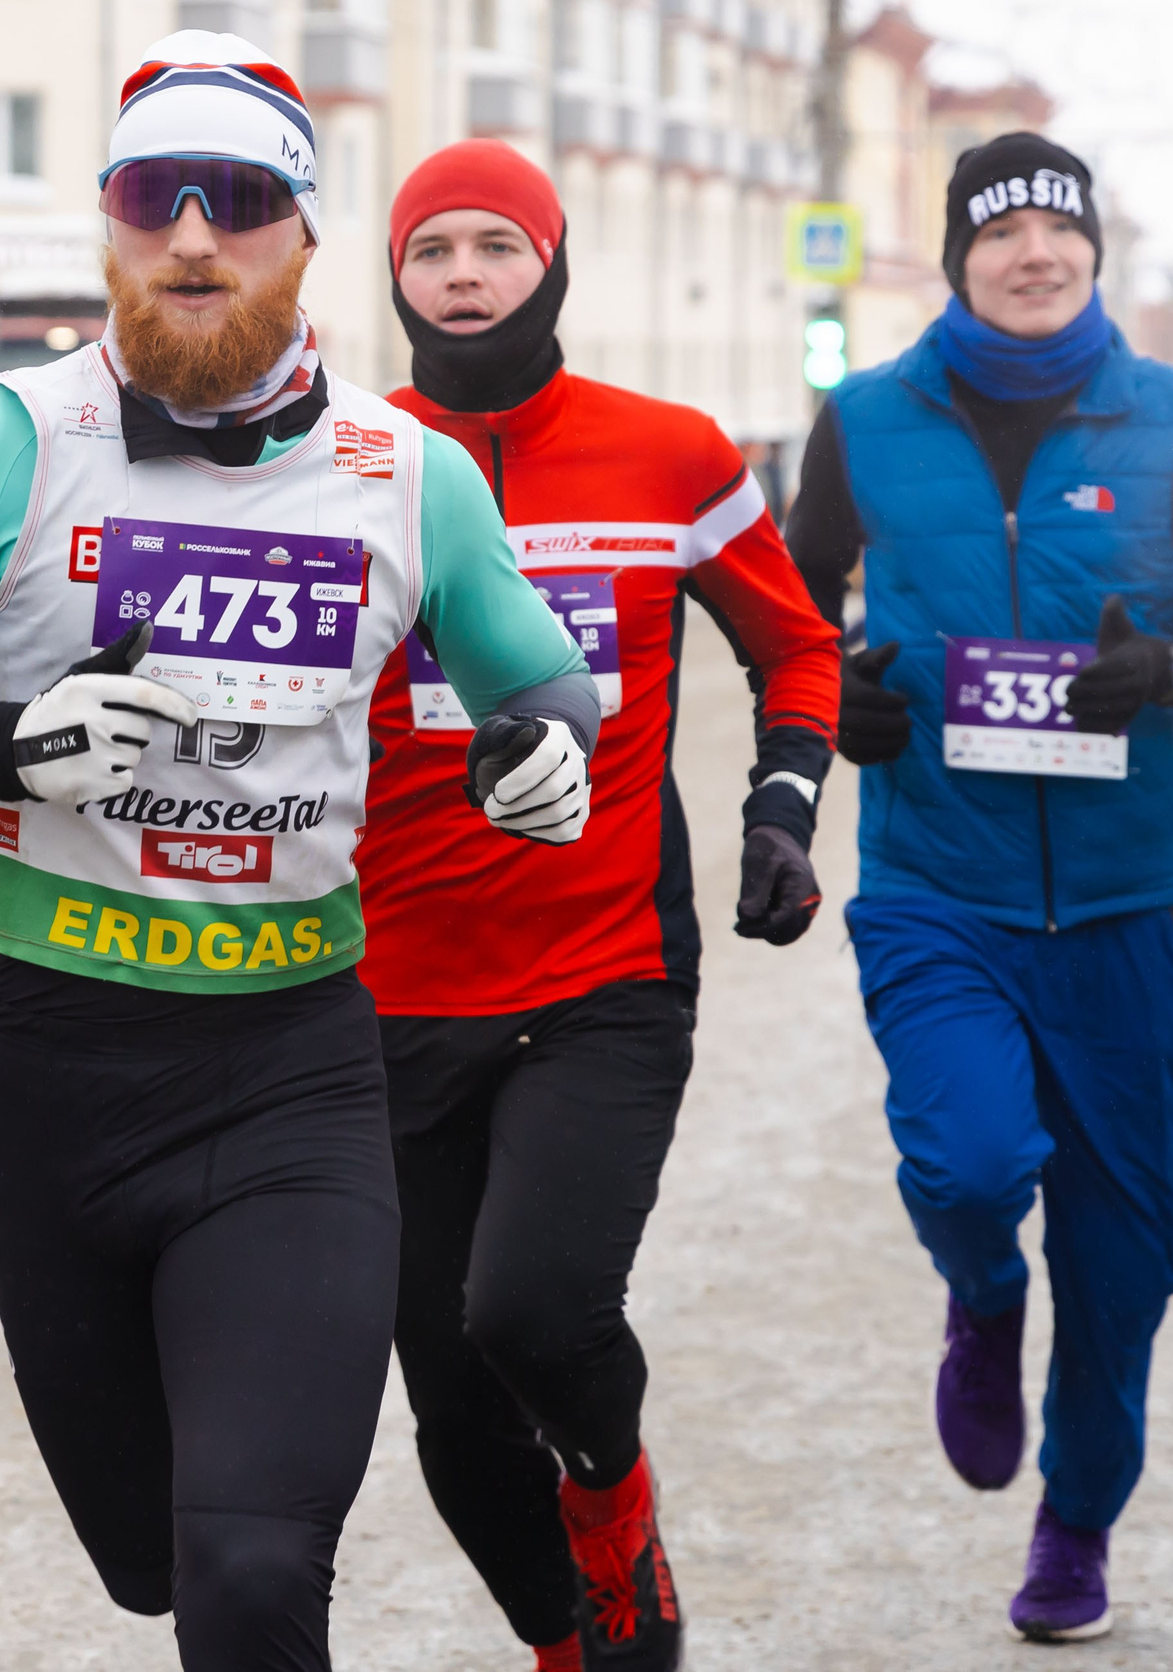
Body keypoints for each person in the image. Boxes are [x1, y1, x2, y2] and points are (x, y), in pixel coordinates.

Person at [0, 35, 600, 1669]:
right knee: (153, 1557)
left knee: (254, 1570)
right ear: (110, 231)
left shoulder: (403, 473)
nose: (197, 233)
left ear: (303, 236)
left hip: (293, 1069)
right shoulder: (8, 441)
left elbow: (537, 676)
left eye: (244, 199)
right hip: (54, 1066)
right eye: (157, 196)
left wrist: (538, 745)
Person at [787, 133, 1173, 1643]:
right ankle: (980, 1300)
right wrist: (847, 710)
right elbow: (791, 627)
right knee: (965, 1165)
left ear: (1093, 253)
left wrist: (1171, 674)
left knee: (1126, 1262)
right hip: (938, 891)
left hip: (1127, 911)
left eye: (1057, 233)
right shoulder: (867, 422)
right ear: (958, 253)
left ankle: (1075, 1529)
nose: (1033, 256)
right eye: (1001, 232)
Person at [356, 142, 840, 1672]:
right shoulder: (339, 459)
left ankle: (615, 1507)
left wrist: (781, 808)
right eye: (433, 248)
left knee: (535, 1312)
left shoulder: (672, 454)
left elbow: (800, 646)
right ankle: (572, 1648)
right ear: (396, 278)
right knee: (444, 1387)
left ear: (553, 263)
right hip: (384, 989)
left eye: (499, 243)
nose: (466, 274)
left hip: (604, 969)